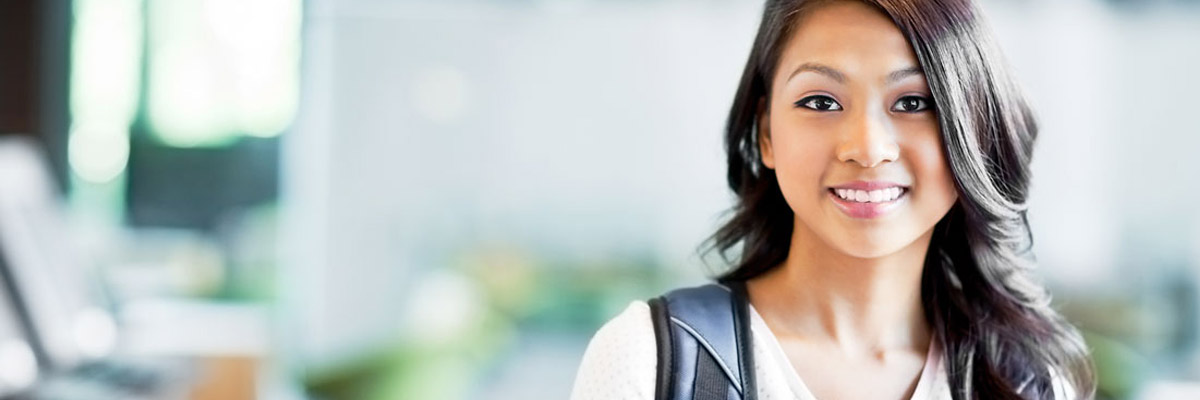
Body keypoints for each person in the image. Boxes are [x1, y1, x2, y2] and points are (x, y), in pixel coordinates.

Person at [569, 0, 1097, 399]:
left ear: (972, 132)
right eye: (821, 101)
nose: (867, 149)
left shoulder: (1025, 385)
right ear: (766, 133)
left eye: (913, 102)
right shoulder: (651, 361)